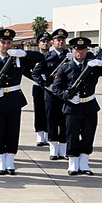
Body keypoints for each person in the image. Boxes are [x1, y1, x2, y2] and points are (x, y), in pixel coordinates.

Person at [0, 28, 43, 175]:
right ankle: (0, 161)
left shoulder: (18, 58)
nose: (6, 46)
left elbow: (41, 57)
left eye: (9, 42)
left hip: (14, 98)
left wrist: (25, 53)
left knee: (13, 131)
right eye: (3, 42)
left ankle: (10, 161)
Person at [51, 36, 102, 175]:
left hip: (89, 106)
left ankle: (84, 164)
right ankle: (73, 164)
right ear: (72, 50)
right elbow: (56, 88)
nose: (80, 52)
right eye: (77, 49)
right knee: (72, 135)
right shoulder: (65, 67)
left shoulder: (92, 66)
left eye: (83, 50)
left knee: (88, 136)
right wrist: (67, 97)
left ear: (87, 50)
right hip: (72, 107)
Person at [32, 28, 70, 160]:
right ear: (53, 42)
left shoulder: (70, 56)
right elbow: (35, 73)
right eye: (58, 40)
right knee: (52, 121)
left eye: (63, 40)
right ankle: (53, 149)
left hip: (65, 94)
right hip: (51, 94)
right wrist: (44, 84)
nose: (60, 43)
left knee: (65, 122)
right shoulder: (46, 57)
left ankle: (63, 149)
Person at [31, 33, 51, 147]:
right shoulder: (35, 57)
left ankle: (49, 135)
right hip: (38, 87)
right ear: (39, 44)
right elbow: (26, 70)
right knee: (39, 111)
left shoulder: (53, 56)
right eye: (43, 41)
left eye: (47, 41)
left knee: (50, 112)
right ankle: (40, 135)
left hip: (50, 87)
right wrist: (37, 79)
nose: (45, 43)